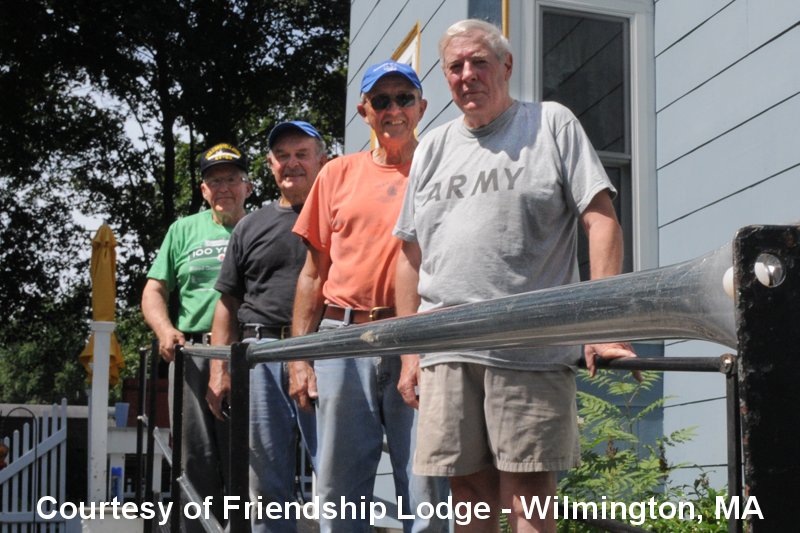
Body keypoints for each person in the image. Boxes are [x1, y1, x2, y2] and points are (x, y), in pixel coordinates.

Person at [393, 19, 638, 533]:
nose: (467, 75)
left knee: (528, 497)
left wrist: (603, 324)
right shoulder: (432, 149)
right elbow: (410, 257)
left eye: (479, 61)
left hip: (528, 344)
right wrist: (410, 349)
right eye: (455, 66)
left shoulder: (550, 123)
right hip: (445, 346)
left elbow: (601, 220)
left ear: (506, 65)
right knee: (467, 496)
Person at [289, 60, 448, 533]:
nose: (393, 109)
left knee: (426, 484)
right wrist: (300, 357)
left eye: (404, 98)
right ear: (364, 110)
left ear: (422, 106)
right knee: (338, 489)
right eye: (381, 100)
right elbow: (312, 274)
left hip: (418, 339)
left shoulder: (442, 168)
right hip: (342, 337)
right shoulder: (336, 174)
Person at [206, 121, 327, 533]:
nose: (291, 163)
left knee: (333, 475)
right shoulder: (249, 226)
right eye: (282, 156)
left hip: (323, 353)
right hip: (258, 359)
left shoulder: (337, 213)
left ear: (321, 159)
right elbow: (227, 301)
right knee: (266, 484)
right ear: (270, 166)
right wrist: (220, 369)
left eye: (301, 154)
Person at [142, 142, 253, 531]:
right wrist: (164, 328)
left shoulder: (264, 226)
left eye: (232, 179)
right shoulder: (183, 230)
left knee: (249, 459)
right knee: (194, 461)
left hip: (249, 355)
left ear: (248, 186)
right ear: (203, 190)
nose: (223, 187)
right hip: (193, 354)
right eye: (214, 180)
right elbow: (154, 289)